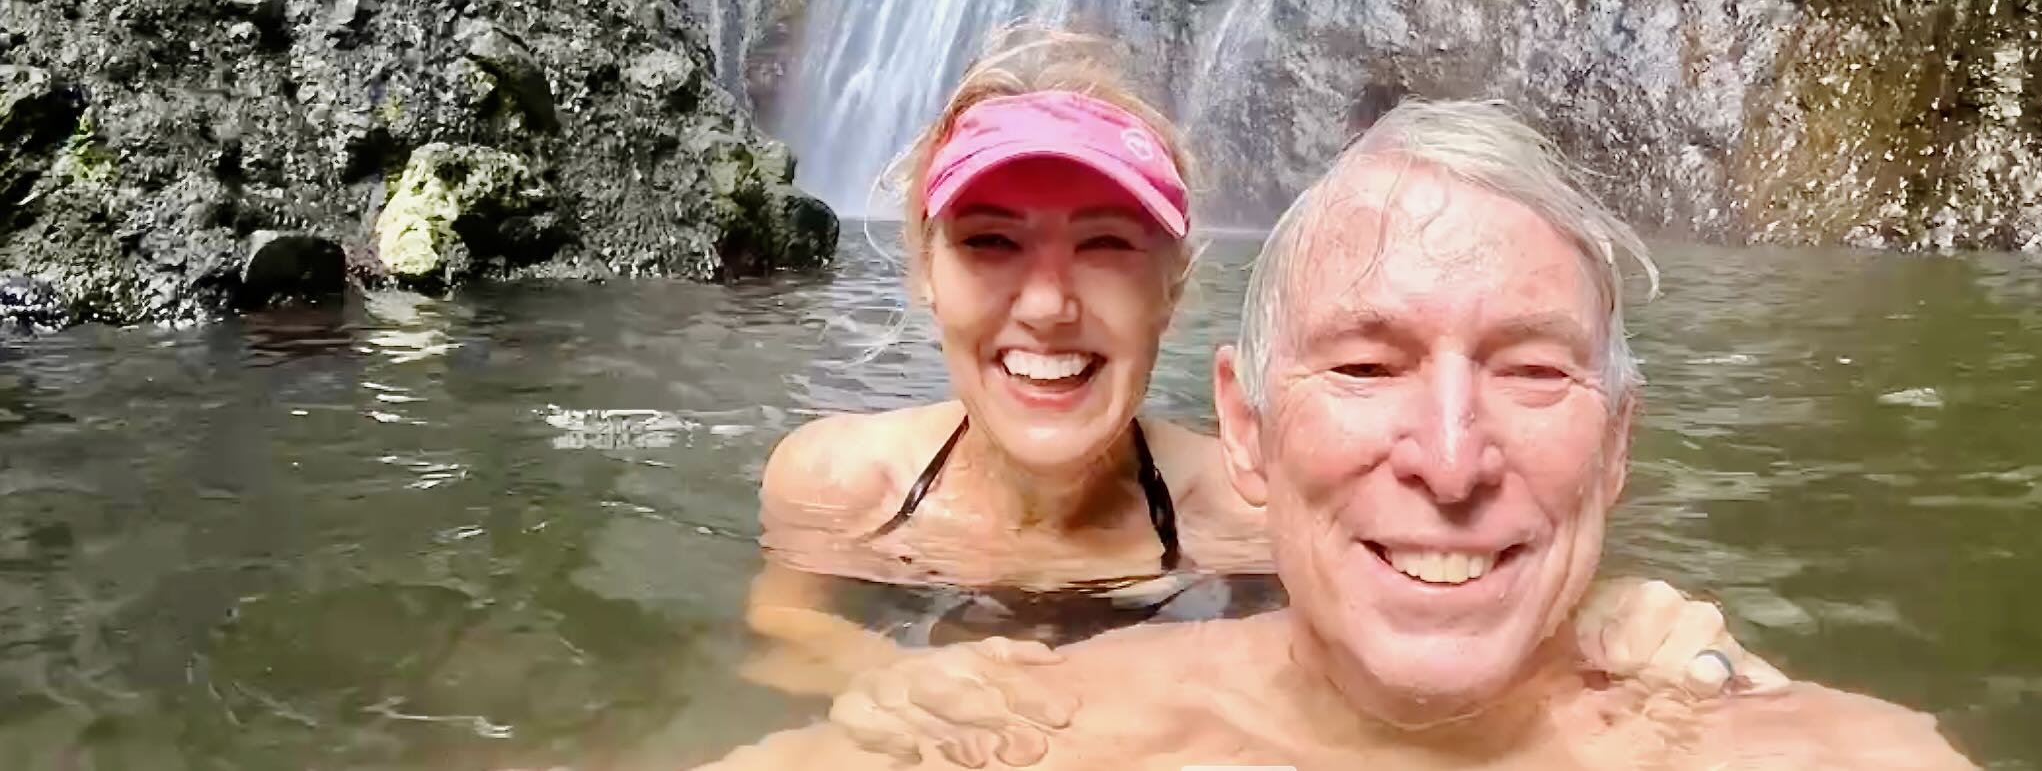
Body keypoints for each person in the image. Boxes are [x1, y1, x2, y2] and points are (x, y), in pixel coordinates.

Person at [706, 100, 1975, 769]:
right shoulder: (998, 706)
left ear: (1616, 445)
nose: (1449, 456)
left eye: (1533, 370)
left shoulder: (1807, 748)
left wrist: (1617, 608)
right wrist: (887, 683)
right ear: (1250, 427)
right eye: (1365, 366)